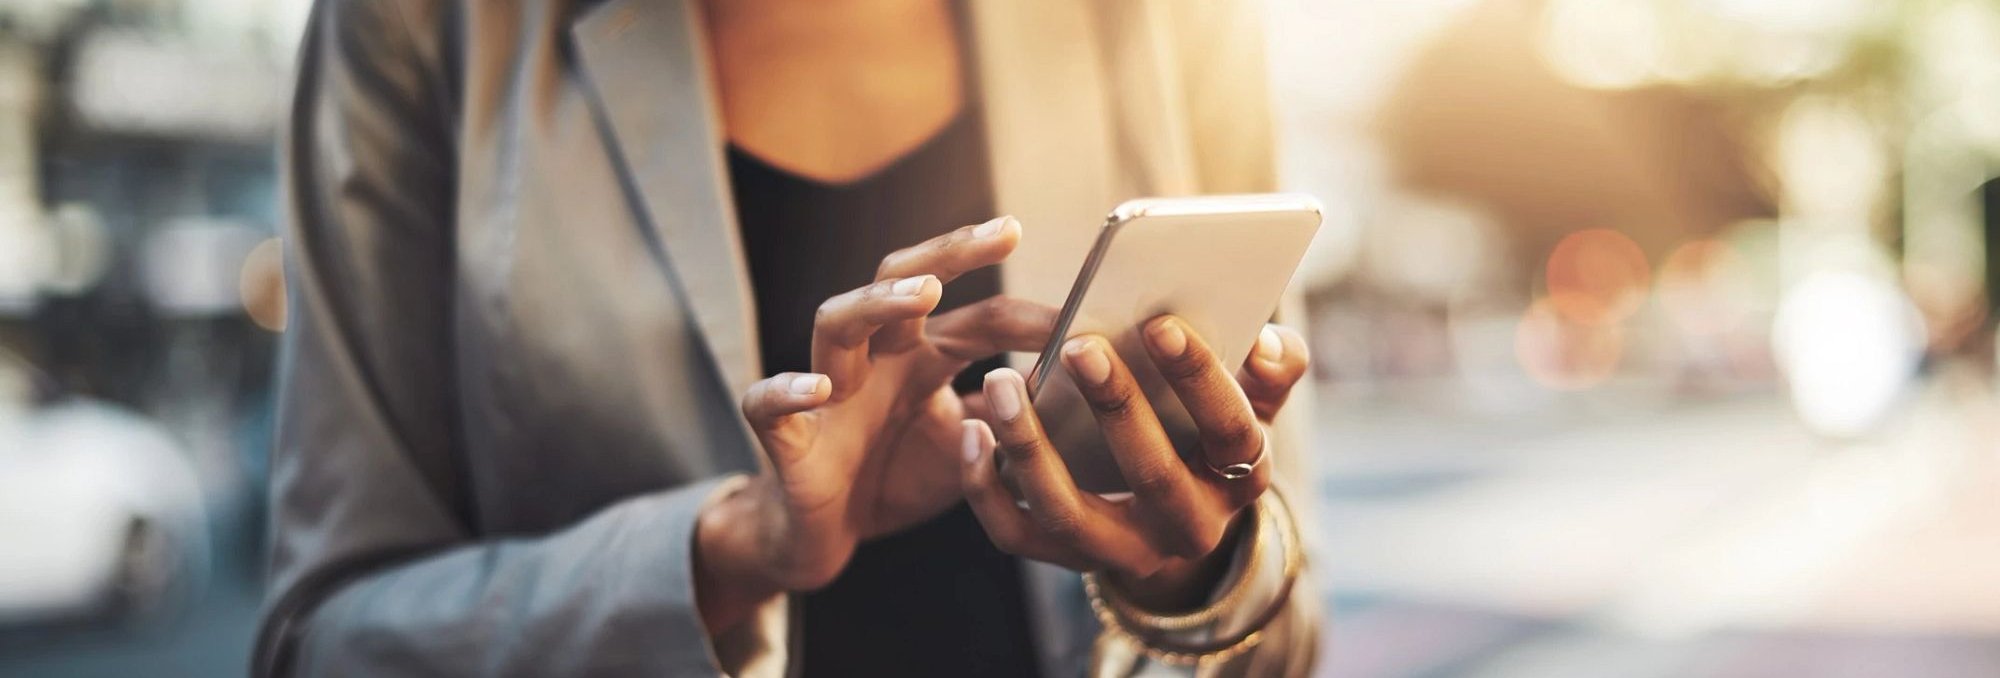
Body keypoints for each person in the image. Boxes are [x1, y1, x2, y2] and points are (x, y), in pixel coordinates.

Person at [257, 0, 1320, 675]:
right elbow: (318, 640)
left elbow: (1285, 620)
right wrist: (731, 551)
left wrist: (1184, 582)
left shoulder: (1173, 22)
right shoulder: (419, 27)